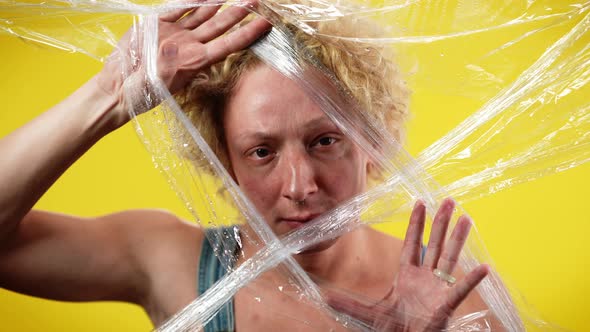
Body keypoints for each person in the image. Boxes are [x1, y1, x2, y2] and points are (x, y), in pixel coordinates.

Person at [0, 2, 495, 330]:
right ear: (225, 159)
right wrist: (107, 95)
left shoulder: (457, 303)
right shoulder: (167, 261)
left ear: (371, 141)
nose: (299, 186)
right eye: (262, 151)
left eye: (324, 140)